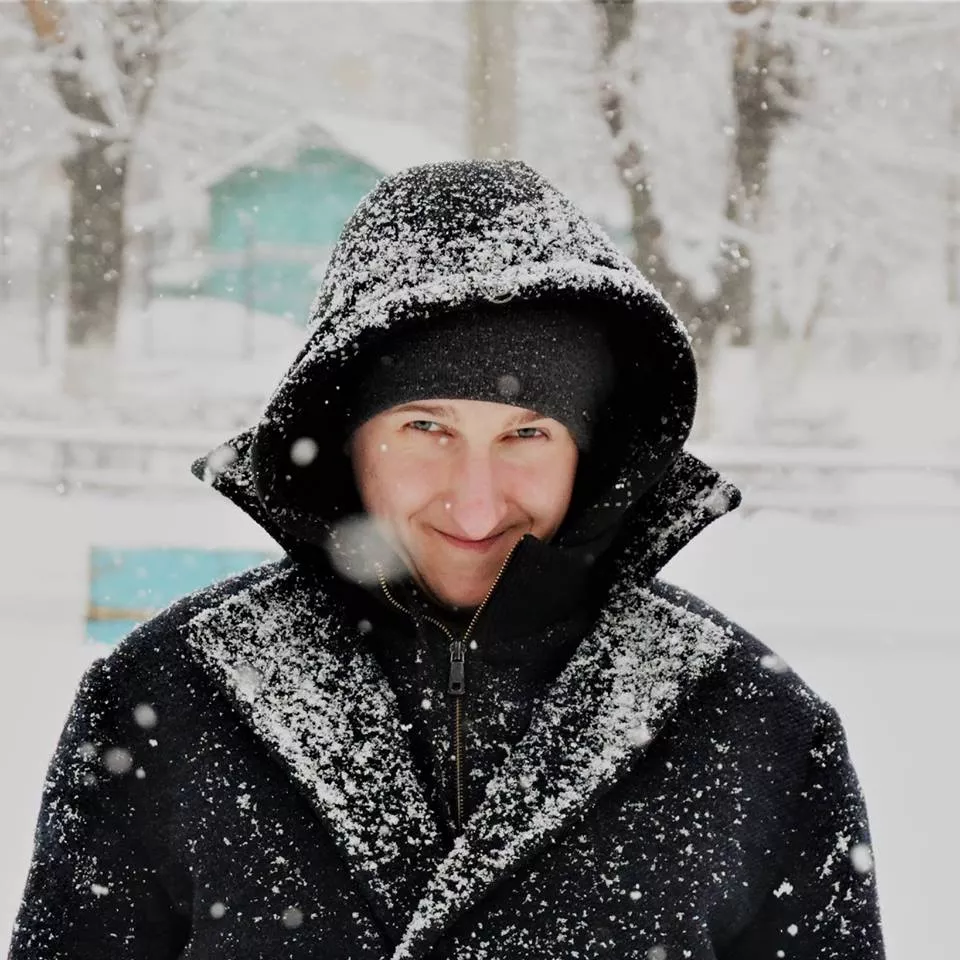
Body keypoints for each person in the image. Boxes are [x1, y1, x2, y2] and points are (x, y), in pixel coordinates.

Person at [10, 159, 886, 959]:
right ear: (346, 439)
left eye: (527, 435)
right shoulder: (169, 698)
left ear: (590, 458)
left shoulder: (751, 725)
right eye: (426, 427)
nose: (476, 503)